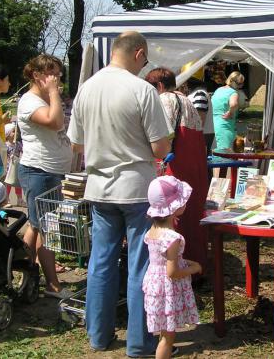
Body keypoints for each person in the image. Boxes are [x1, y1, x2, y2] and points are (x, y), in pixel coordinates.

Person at [67, 31, 171, 356]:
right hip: (136, 188)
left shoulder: (86, 89)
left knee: (101, 262)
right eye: (146, 60)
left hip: (99, 187)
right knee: (141, 265)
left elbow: (76, 144)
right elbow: (160, 147)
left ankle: (98, 336)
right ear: (139, 54)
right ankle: (140, 343)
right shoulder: (142, 90)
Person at [17, 54, 73, 299]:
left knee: (40, 227)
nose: (57, 78)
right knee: (43, 227)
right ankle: (50, 283)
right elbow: (55, 121)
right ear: (37, 75)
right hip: (37, 171)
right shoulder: (29, 101)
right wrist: (53, 93)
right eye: (52, 73)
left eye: (59, 73)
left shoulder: (47, 98)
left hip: (53, 171)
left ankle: (26, 275)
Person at [145, 67, 209, 273]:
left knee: (172, 214)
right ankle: (195, 265)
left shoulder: (165, 99)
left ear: (160, 86)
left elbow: (163, 134)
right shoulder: (188, 100)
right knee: (191, 211)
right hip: (195, 163)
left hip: (176, 164)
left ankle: (173, 267)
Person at [143, 175, 201, 359]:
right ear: (174, 207)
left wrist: (187, 262)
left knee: (163, 332)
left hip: (154, 286)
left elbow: (163, 260)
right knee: (168, 338)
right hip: (167, 290)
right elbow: (172, 271)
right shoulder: (173, 238)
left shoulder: (152, 231)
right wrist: (194, 268)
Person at [182, 62, 215, 155]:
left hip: (200, 137)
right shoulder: (195, 93)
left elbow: (199, 120)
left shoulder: (199, 94)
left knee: (201, 167)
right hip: (198, 136)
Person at [211, 71, 245, 150]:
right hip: (225, 127)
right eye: (239, 83)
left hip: (213, 126)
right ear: (232, 81)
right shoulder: (233, 93)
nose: (241, 86)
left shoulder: (218, 90)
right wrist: (230, 112)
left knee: (214, 154)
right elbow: (234, 104)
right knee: (225, 156)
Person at [4, 122, 24, 207]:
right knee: (8, 183)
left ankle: (19, 199)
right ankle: (6, 199)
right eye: (13, 131)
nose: (16, 133)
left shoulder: (18, 144)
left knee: (18, 183)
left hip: (16, 167)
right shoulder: (6, 145)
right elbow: (4, 156)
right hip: (8, 167)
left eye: (16, 131)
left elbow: (23, 151)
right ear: (7, 134)